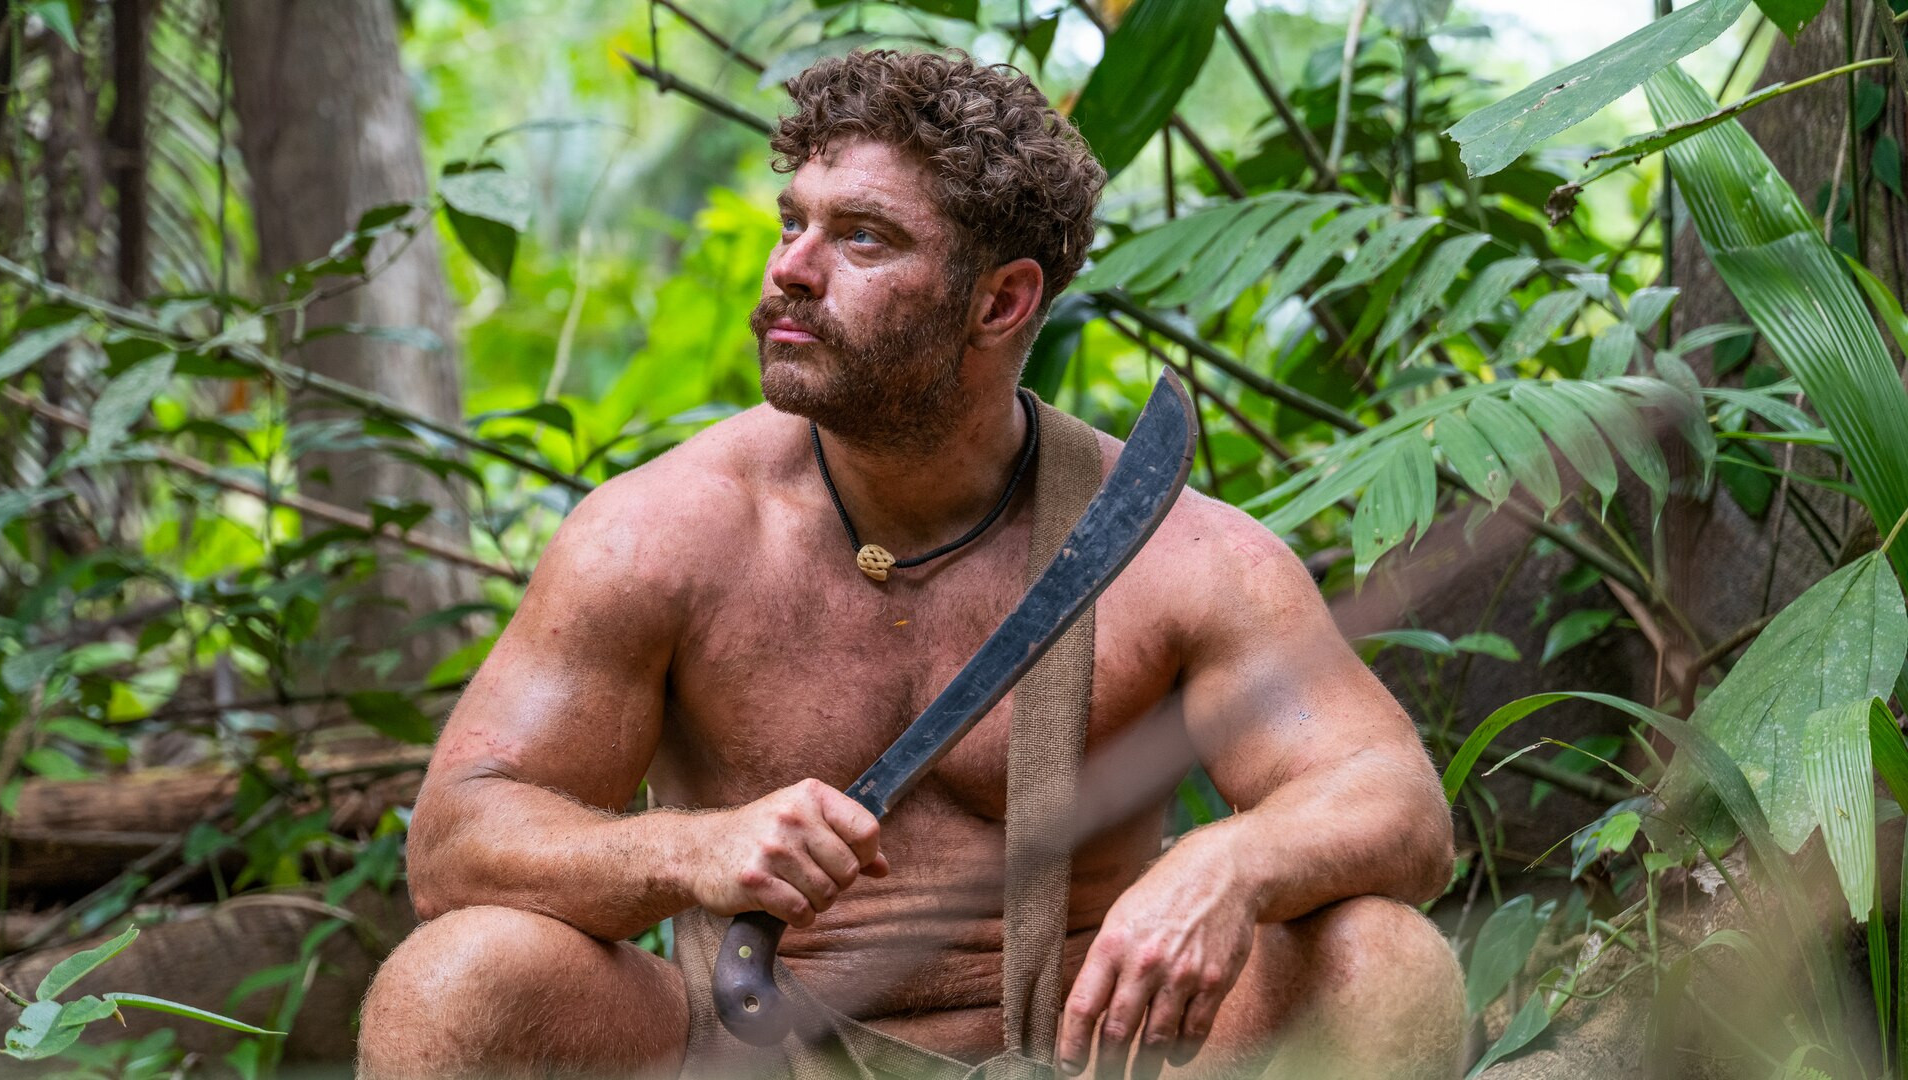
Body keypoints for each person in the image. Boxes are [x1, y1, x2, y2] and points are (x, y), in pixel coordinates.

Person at [357, 49, 1463, 1080]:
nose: (791, 269)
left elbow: (1398, 806)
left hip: (1092, 1052)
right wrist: (692, 850)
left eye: (863, 239)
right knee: (456, 981)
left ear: (1000, 302)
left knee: (1382, 958)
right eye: (793, 222)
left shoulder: (1180, 553)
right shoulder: (660, 535)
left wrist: (1230, 863)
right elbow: (456, 843)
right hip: (747, 1051)